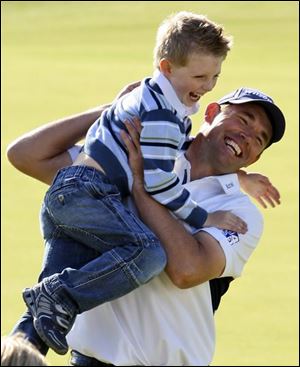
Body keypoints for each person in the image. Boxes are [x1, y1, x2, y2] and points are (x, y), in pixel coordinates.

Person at [17, 11, 250, 356]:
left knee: (38, 324)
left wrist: (242, 176)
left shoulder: (149, 96)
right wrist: (205, 218)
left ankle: (35, 327)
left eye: (215, 76)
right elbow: (157, 182)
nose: (207, 86)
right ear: (167, 67)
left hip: (77, 191)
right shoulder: (161, 115)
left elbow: (179, 152)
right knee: (148, 253)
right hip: (88, 193)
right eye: (200, 76)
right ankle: (60, 295)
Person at [7, 85, 285, 365]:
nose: (247, 136)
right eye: (243, 119)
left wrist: (142, 187)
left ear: (255, 157)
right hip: (90, 359)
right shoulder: (139, 148)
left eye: (260, 139)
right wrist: (112, 112)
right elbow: (27, 155)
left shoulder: (241, 213)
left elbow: (186, 270)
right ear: (211, 112)